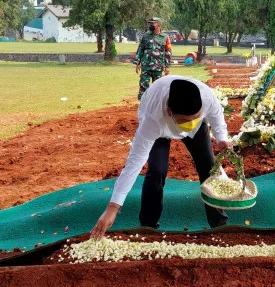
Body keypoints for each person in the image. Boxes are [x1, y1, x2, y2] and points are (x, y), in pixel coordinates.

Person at [90, 77, 232, 239]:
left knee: (208, 166)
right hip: (160, 127)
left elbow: (217, 116)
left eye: (195, 117)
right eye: (185, 121)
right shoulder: (152, 119)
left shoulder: (206, 97)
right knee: (157, 170)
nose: (190, 123)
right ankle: (148, 226)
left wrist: (222, 139)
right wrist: (112, 209)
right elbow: (134, 163)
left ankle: (219, 223)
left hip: (195, 125)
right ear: (170, 112)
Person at [133, 18, 171, 100]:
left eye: (153, 23)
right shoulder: (146, 36)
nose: (150, 25)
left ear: (158, 25)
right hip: (146, 65)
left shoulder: (165, 37)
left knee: (157, 86)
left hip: (158, 66)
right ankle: (143, 103)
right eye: (150, 23)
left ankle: (155, 104)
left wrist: (167, 66)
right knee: (143, 85)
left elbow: (168, 52)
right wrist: (137, 63)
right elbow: (140, 49)